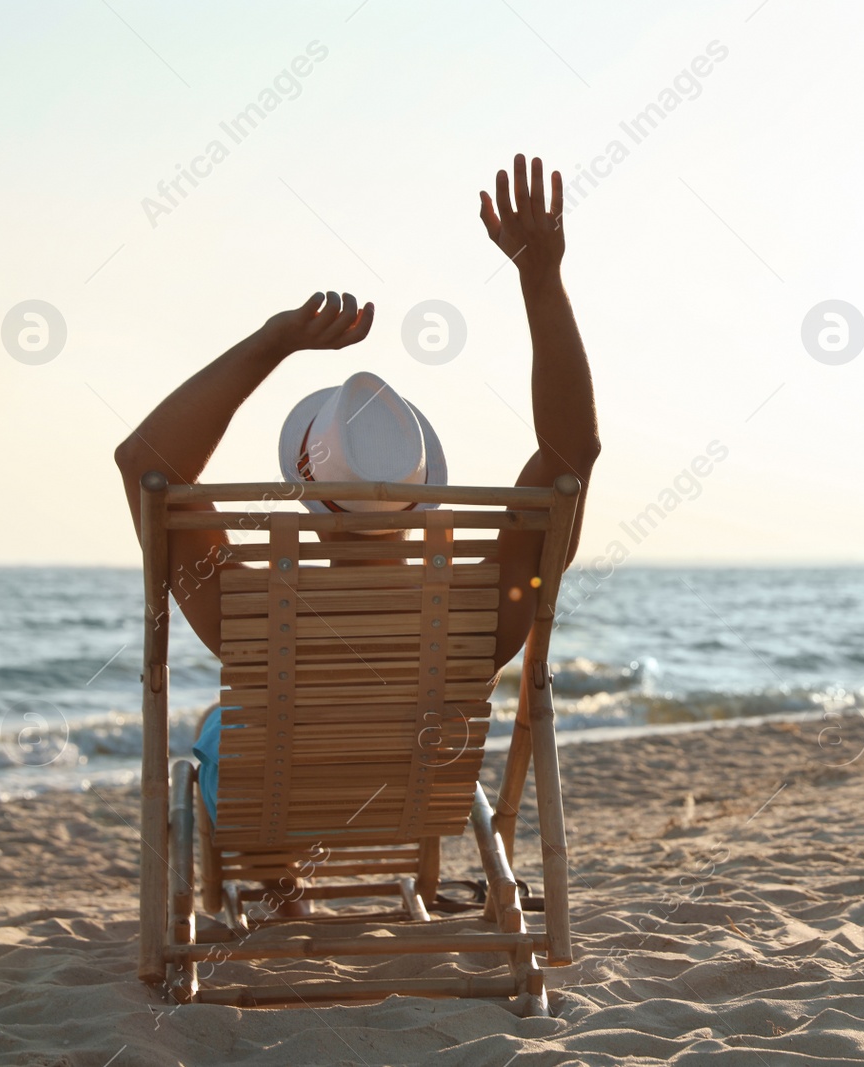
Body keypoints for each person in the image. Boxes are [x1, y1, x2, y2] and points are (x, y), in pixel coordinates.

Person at [113, 155, 599, 859]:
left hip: (273, 801)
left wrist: (271, 342)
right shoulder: (484, 610)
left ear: (307, 488)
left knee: (226, 723)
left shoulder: (249, 611)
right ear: (420, 479)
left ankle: (278, 878)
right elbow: (571, 457)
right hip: (418, 802)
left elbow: (146, 467)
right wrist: (540, 279)